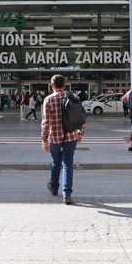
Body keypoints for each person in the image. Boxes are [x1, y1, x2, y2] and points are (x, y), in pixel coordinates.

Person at [42, 74, 86, 205]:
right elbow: (82, 118)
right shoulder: (74, 97)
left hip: (54, 137)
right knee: (68, 164)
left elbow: (46, 122)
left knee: (56, 161)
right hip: (71, 136)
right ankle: (67, 194)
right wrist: (80, 133)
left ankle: (54, 186)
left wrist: (44, 139)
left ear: (52, 86)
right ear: (65, 85)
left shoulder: (48, 100)